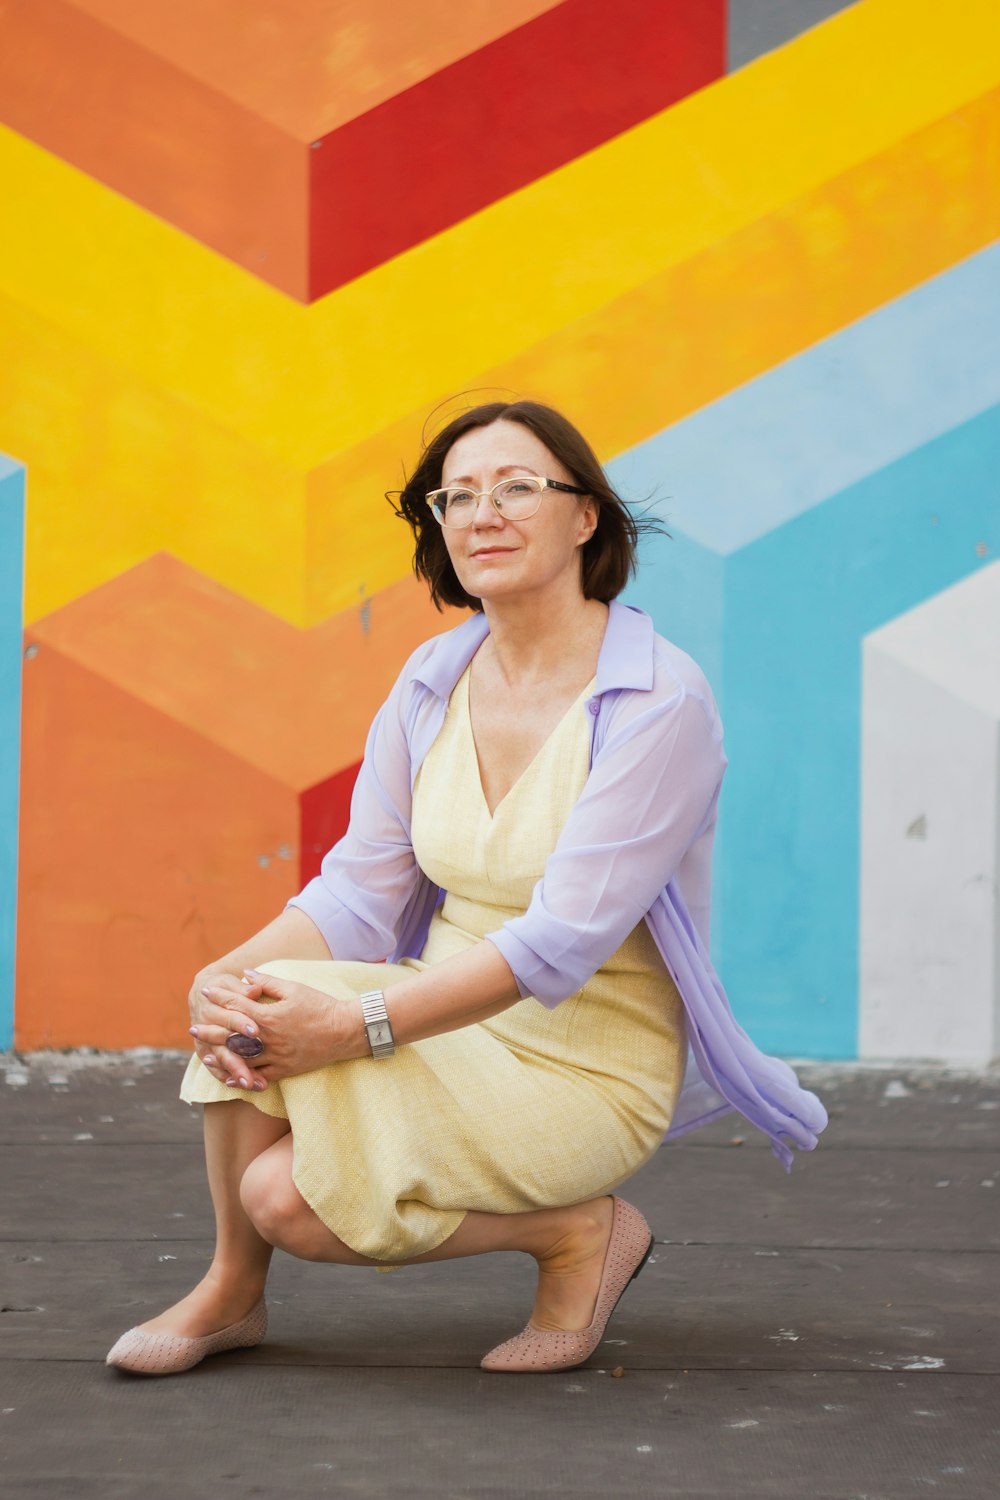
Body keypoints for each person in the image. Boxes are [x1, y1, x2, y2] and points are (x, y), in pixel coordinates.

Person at [106, 399, 827, 1378]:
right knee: (259, 1002)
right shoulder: (433, 678)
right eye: (458, 496)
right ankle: (232, 1289)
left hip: (583, 1064)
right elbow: (360, 890)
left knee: (291, 1201)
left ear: (584, 518)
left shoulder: (658, 702)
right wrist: (227, 971)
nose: (483, 513)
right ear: (439, 529)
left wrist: (356, 1025)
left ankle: (578, 1233)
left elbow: (558, 945)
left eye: (518, 487)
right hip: (445, 1022)